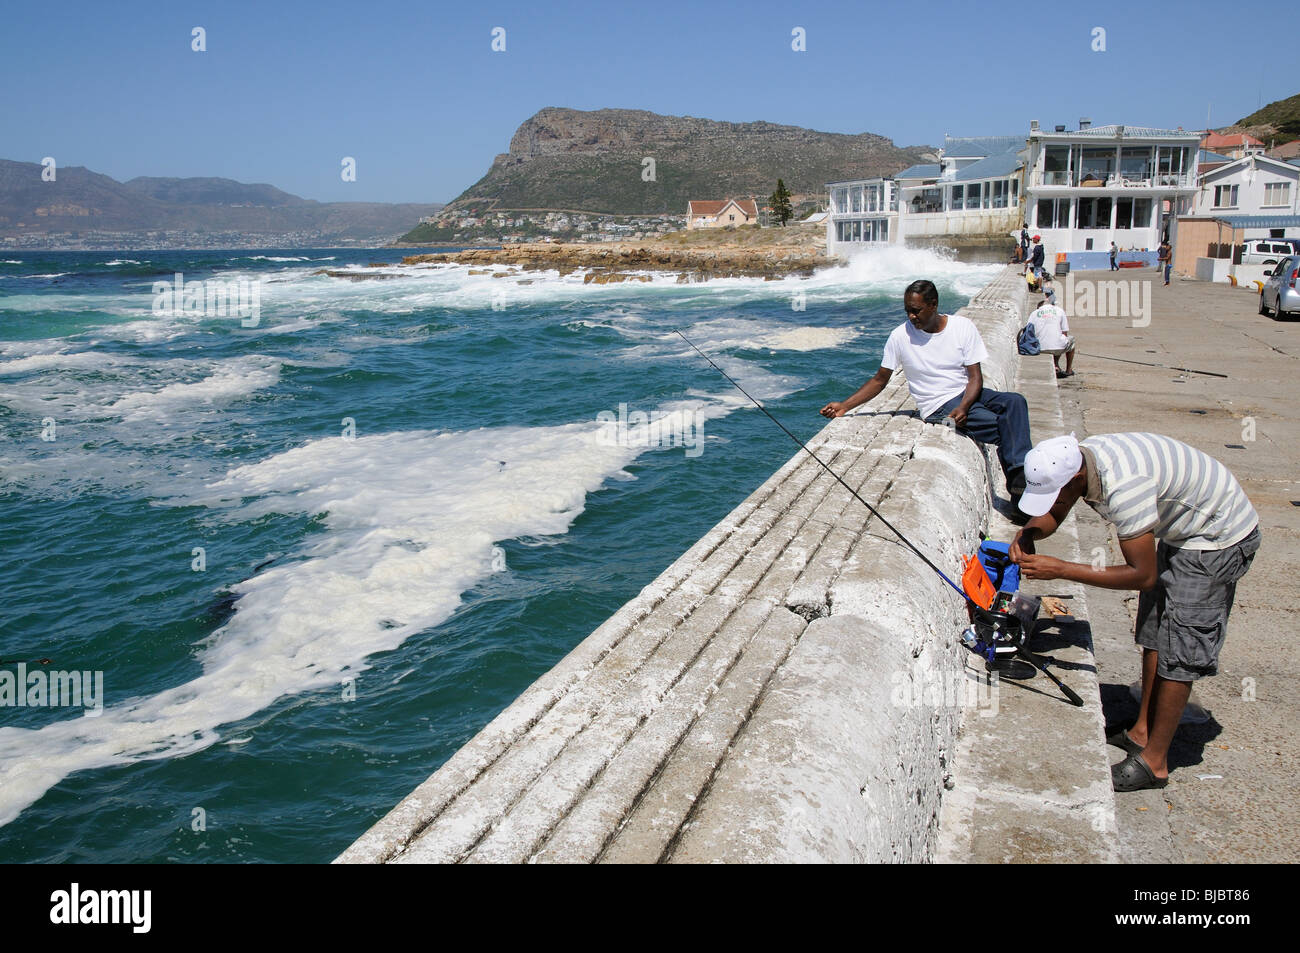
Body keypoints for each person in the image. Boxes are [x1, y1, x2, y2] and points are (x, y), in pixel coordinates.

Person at [1010, 432, 1260, 792]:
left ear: (1076, 478)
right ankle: (1141, 732)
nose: (1053, 502)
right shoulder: (1080, 460)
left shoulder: (1125, 487)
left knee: (1180, 648)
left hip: (1217, 538)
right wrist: (1028, 534)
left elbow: (1142, 575)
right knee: (1155, 632)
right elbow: (1056, 511)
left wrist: (1061, 568)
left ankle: (1154, 763)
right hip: (1184, 531)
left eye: (1055, 493)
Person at [820, 279, 1031, 498]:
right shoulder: (900, 336)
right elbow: (880, 380)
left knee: (1016, 402)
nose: (911, 317)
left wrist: (965, 406)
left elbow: (975, 377)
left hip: (965, 395)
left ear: (934, 304)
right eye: (907, 311)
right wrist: (844, 405)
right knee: (1005, 428)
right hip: (938, 408)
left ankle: (1019, 477)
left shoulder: (962, 327)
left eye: (916, 311)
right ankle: (1021, 489)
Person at [1027, 297, 1074, 377]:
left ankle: (1056, 365)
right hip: (1058, 348)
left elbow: (1029, 333)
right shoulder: (1060, 311)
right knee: (1070, 340)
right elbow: (1065, 333)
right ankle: (1068, 370)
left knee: (1052, 339)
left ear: (1039, 307)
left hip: (1039, 348)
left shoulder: (1034, 313)